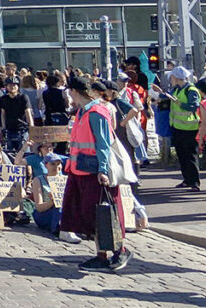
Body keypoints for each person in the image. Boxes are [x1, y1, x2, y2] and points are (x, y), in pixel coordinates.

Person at [60, 76, 132, 272]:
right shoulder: (82, 112)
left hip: (94, 172)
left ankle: (120, 250)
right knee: (91, 215)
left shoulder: (96, 112)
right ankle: (101, 255)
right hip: (80, 170)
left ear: (74, 91)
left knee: (103, 214)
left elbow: (103, 145)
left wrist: (102, 170)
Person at [153, 66, 202, 191]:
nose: (170, 79)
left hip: (190, 128)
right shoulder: (176, 89)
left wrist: (178, 103)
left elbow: (194, 106)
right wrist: (160, 94)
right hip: (177, 127)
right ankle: (187, 180)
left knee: (190, 156)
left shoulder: (191, 90)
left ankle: (195, 182)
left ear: (176, 77)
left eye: (172, 77)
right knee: (182, 155)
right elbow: (168, 98)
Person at [30, 152, 66, 237]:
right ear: (46, 165)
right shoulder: (38, 180)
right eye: (53, 164)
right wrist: (52, 202)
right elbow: (39, 207)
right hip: (44, 213)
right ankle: (60, 229)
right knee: (58, 207)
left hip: (62, 212)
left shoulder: (65, 180)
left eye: (58, 164)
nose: (57, 167)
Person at [0, 78, 33, 152]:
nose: (12, 87)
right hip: (9, 130)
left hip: (22, 130)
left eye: (15, 85)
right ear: (6, 87)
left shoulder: (23, 97)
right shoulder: (4, 99)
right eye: (10, 85)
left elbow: (28, 113)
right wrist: (3, 126)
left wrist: (32, 128)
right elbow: (3, 114)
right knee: (10, 153)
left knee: (24, 153)